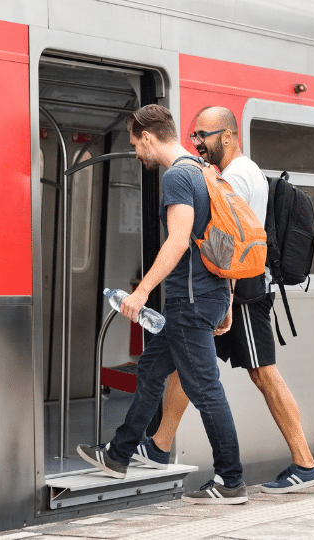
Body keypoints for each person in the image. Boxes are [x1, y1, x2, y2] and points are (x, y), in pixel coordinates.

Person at [130, 106, 314, 494]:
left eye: (205, 135)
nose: (198, 143)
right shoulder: (230, 173)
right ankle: (159, 446)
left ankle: (304, 463)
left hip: (244, 294)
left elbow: (229, 243)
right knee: (188, 363)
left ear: (229, 136)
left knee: (263, 373)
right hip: (229, 292)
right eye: (195, 136)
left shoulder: (236, 175)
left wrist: (227, 302)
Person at [76, 104, 247, 505]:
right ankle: (119, 454)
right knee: (152, 370)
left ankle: (232, 480)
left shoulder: (178, 176)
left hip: (189, 301)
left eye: (137, 143)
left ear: (149, 136)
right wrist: (228, 300)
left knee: (206, 390)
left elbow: (178, 240)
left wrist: (142, 292)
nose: (137, 152)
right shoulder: (207, 172)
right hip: (209, 294)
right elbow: (228, 239)